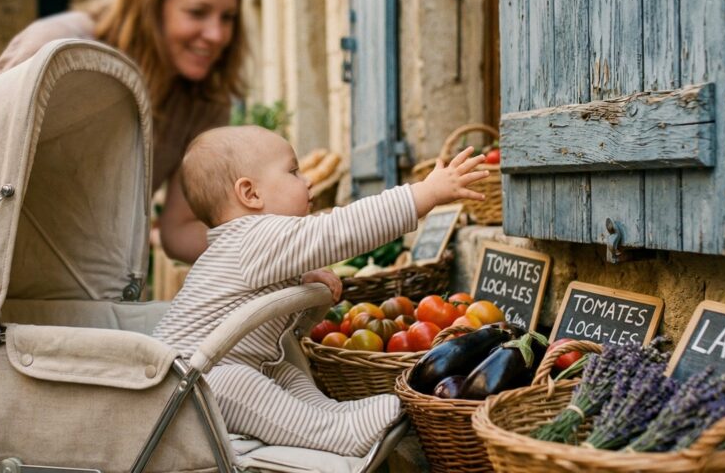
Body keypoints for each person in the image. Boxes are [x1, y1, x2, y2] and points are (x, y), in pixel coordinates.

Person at [152, 126, 489, 456]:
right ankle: (329, 432)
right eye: (293, 172)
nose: (308, 180)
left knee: (281, 368)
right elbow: (341, 229)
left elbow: (276, 303)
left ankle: (324, 411)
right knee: (238, 382)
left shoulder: (250, 245)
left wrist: (300, 277)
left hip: (212, 375)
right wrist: (423, 195)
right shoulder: (251, 238)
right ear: (250, 194)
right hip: (185, 389)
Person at [0, 0, 245, 264]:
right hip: (2, 277)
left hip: (101, 287)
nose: (216, 34)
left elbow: (180, 229)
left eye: (227, 17)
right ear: (150, 5)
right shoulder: (56, 54)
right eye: (197, 13)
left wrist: (277, 253)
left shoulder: (202, 99)